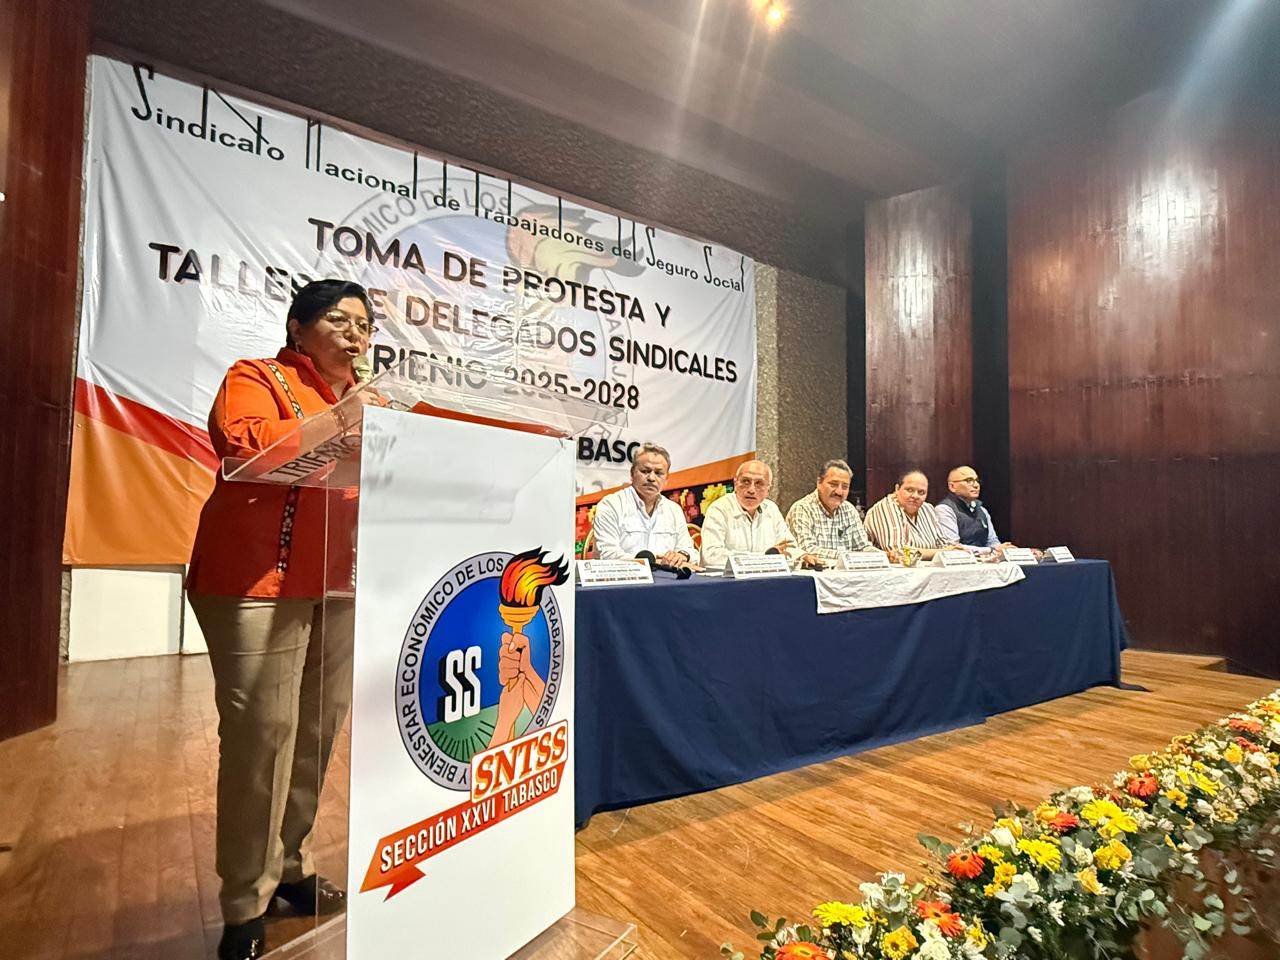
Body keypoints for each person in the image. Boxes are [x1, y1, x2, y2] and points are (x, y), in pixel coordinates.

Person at [186, 279, 380, 960]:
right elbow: (247, 446)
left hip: (340, 583)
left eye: (364, 324)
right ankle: (245, 901)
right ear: (298, 327)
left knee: (318, 730)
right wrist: (348, 417)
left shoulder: (374, 401)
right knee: (261, 736)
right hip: (256, 582)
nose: (355, 334)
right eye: (339, 320)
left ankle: (291, 865)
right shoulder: (258, 377)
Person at [591, 442, 697, 568]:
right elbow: (607, 555)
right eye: (645, 471)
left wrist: (682, 555)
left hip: (667, 578)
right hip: (622, 577)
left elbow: (690, 551)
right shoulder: (611, 505)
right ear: (632, 474)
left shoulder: (674, 509)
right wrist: (653, 563)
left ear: (666, 479)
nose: (651, 478)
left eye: (658, 473)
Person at [785, 459, 884, 567]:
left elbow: (863, 547)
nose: (839, 492)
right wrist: (849, 556)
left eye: (845, 487)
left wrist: (882, 556)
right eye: (833, 484)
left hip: (848, 573)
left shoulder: (849, 510)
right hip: (816, 574)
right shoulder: (802, 509)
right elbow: (807, 550)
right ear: (819, 483)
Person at [699, 459, 796, 569]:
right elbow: (712, 557)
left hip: (766, 576)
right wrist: (764, 558)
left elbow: (789, 548)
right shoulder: (719, 509)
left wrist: (800, 555)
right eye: (746, 481)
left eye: (759, 483)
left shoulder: (771, 509)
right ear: (735, 484)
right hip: (725, 578)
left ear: (768, 489)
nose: (751, 490)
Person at [863, 469, 962, 561]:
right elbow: (899, 553)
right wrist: (941, 552)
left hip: (927, 569)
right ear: (897, 489)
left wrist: (950, 550)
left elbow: (944, 545)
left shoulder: (928, 508)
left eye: (921, 492)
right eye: (909, 490)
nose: (915, 496)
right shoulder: (885, 508)